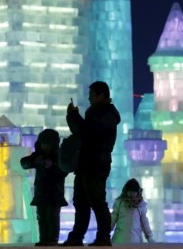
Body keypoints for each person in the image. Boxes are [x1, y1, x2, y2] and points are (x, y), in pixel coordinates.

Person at [62, 81, 121, 247]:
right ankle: (77, 237)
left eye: (91, 95)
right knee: (81, 201)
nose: (89, 98)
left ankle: (103, 237)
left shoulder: (105, 114)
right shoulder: (97, 113)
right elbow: (83, 132)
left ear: (101, 95)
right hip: (87, 163)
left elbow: (86, 133)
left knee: (97, 201)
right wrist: (73, 116)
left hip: (96, 163)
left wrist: (73, 115)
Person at [21, 129, 69, 246]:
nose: (45, 146)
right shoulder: (38, 155)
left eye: (47, 144)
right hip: (41, 192)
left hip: (54, 193)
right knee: (41, 216)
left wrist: (52, 166)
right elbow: (24, 163)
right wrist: (34, 161)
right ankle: (44, 240)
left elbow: (63, 171)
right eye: (43, 143)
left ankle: (52, 240)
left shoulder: (59, 157)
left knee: (52, 216)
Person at [110, 178, 154, 244]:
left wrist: (149, 236)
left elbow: (144, 222)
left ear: (138, 192)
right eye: (130, 191)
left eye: (134, 191)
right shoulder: (119, 203)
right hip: (120, 239)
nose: (131, 194)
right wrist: (105, 232)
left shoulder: (140, 205)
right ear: (126, 191)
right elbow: (113, 219)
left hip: (135, 241)